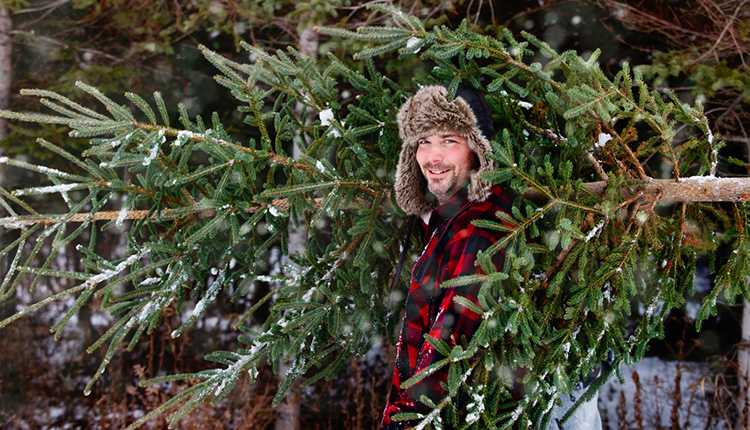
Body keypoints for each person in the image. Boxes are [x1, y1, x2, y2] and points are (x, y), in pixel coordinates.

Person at [381, 84, 602, 429]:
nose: (433, 156)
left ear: (478, 148)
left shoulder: (483, 224)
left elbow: (449, 347)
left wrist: (408, 422)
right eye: (424, 141)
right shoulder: (451, 216)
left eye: (449, 140)